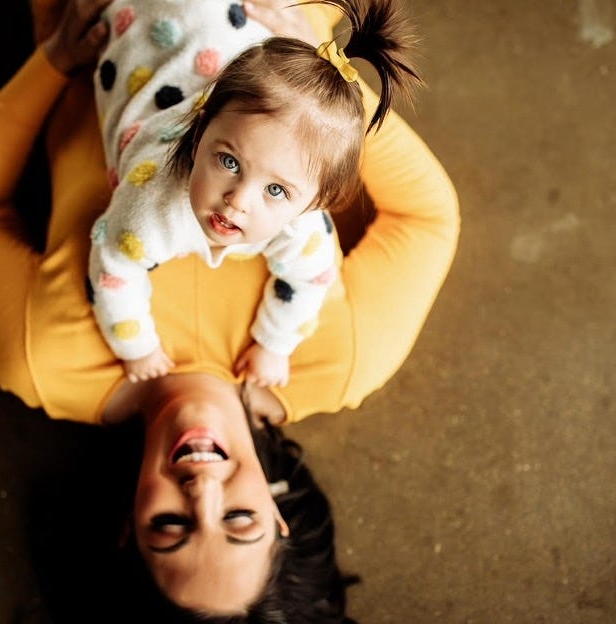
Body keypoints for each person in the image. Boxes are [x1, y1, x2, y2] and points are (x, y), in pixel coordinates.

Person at [0, 0, 459, 617]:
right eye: (239, 519)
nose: (201, 488)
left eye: (170, 527)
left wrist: (51, 64)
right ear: (278, 514)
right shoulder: (338, 360)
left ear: (128, 526)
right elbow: (427, 219)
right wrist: (324, 86)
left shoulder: (39, 360)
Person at [87, 0, 408, 388]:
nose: (238, 200)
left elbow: (314, 279)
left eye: (275, 190)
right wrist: (137, 347)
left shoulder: (302, 227)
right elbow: (113, 269)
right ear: (198, 133)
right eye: (229, 162)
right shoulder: (150, 205)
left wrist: (274, 343)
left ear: (315, 203)